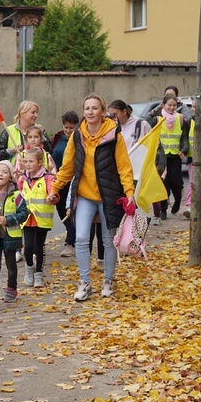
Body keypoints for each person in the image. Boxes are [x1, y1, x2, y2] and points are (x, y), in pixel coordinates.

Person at [46, 94, 135, 301]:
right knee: (81, 238)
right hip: (85, 195)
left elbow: (124, 167)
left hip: (109, 195)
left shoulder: (114, 135)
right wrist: (55, 189)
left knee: (108, 239)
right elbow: (67, 167)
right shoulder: (77, 136)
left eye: (95, 108)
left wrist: (129, 192)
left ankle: (108, 281)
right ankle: (85, 283)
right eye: (87, 108)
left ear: (103, 112)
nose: (90, 112)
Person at [0, 161, 28, 309]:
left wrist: (8, 220)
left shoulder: (16, 195)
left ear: (10, 176)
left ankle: (11, 289)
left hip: (11, 237)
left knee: (10, 265)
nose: (0, 174)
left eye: (4, 172)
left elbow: (24, 214)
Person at [18, 147, 56, 288]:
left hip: (41, 218)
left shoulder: (48, 178)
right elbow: (19, 195)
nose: (27, 164)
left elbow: (53, 191)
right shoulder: (23, 179)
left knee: (39, 247)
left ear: (40, 162)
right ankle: (29, 269)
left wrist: (52, 196)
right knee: (28, 247)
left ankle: (39, 273)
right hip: (27, 218)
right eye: (26, 161)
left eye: (31, 161)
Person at [149, 94, 189, 219]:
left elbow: (184, 137)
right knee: (163, 183)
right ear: (163, 105)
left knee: (176, 182)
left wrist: (184, 150)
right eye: (169, 105)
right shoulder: (157, 120)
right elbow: (151, 137)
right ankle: (163, 209)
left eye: (174, 105)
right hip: (162, 157)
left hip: (175, 155)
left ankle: (177, 199)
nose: (172, 108)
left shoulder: (181, 119)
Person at [51, 111, 80, 257]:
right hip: (58, 180)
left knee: (71, 211)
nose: (68, 131)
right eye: (66, 127)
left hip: (73, 181)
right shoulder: (57, 138)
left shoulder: (78, 139)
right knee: (61, 210)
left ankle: (70, 242)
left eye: (71, 128)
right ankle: (72, 236)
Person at [183, 99, 201, 218]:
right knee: (192, 182)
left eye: (196, 106)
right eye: (192, 106)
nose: (193, 109)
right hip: (192, 157)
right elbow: (184, 138)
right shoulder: (188, 122)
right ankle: (190, 205)